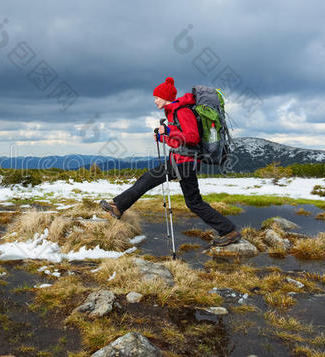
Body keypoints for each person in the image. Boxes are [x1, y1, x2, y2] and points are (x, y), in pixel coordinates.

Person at [100, 76, 242, 247]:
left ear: (166, 97)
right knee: (193, 202)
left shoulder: (182, 111)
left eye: (156, 97)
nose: (154, 101)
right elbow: (178, 139)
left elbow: (192, 137)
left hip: (184, 162)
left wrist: (168, 131)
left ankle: (118, 207)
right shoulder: (174, 112)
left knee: (148, 180)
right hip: (180, 159)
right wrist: (163, 136)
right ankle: (229, 230)